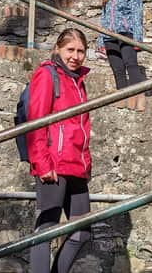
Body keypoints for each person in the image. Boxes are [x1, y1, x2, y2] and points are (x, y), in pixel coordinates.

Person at [26, 28, 92, 273]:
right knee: (46, 229)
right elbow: (36, 121)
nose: (75, 56)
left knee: (82, 230)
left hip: (76, 166)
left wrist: (86, 163)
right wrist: (42, 163)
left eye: (81, 51)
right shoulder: (47, 75)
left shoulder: (78, 82)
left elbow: (81, 128)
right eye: (70, 50)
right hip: (53, 165)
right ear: (58, 49)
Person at [96, 0, 148, 90]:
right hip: (109, 36)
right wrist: (100, 41)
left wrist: (137, 39)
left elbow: (137, 14)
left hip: (126, 33)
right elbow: (104, 17)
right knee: (117, 70)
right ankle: (123, 99)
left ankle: (137, 95)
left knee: (131, 64)